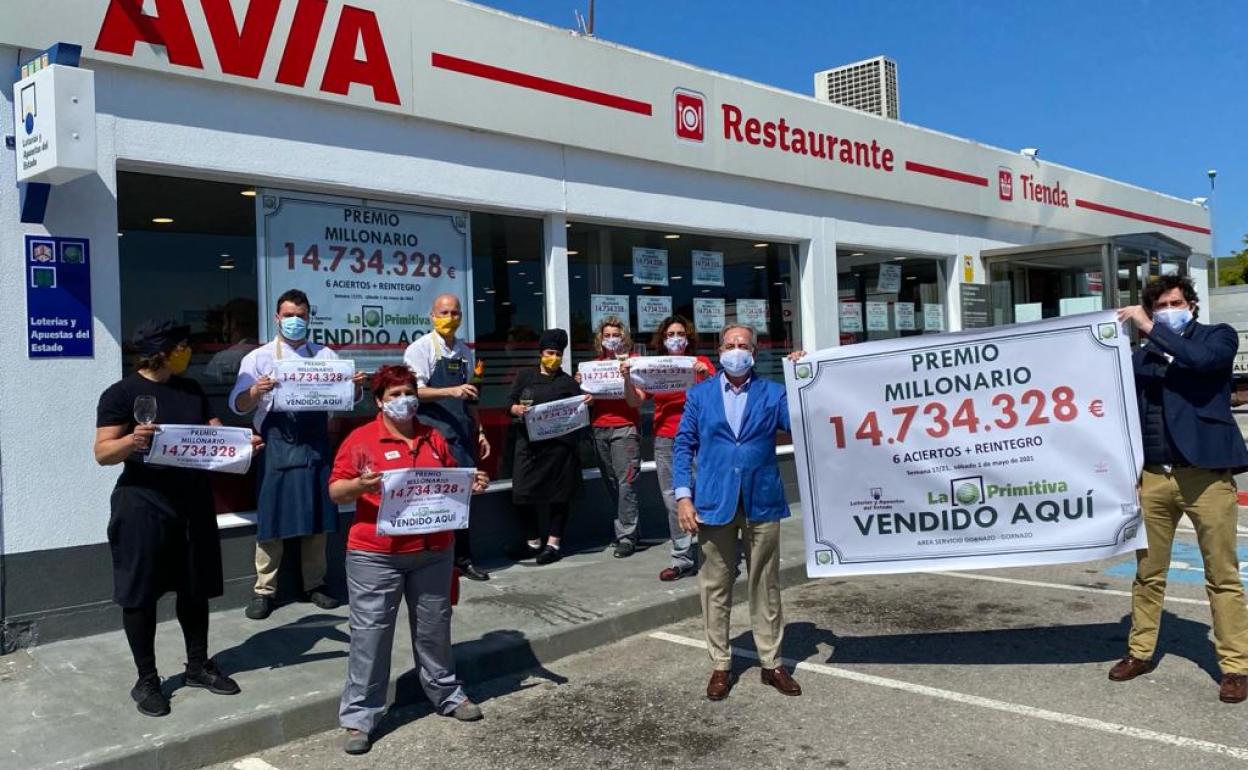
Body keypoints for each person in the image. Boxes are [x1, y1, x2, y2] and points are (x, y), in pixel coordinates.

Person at [94, 320, 260, 717]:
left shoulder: (191, 389)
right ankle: (147, 679)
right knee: (141, 594)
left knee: (194, 587)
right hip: (143, 504)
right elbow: (102, 452)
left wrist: (243, 444)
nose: (188, 350)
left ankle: (197, 665)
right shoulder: (121, 393)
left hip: (192, 501)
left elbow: (213, 435)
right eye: (182, 345)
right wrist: (130, 441)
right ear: (162, 350)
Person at [329, 365, 490, 755]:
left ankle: (447, 694)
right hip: (376, 555)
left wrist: (473, 483)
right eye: (396, 394)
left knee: (435, 627)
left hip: (433, 551)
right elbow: (336, 491)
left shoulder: (433, 437)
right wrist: (359, 485)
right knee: (370, 635)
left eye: (409, 392)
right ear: (380, 401)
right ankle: (359, 717)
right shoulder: (361, 439)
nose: (405, 400)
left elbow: (453, 479)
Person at [1112, 275, 1248, 703]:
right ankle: (1140, 651)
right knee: (1148, 573)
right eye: (1160, 305)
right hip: (1153, 477)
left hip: (1205, 475)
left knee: (1222, 575)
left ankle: (1235, 666)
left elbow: (1201, 362)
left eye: (1175, 302)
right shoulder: (1143, 354)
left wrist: (1152, 328)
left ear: (1190, 303)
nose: (1169, 308)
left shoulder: (1217, 338)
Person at [673, 325, 804, 701]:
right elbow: (683, 445)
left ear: (755, 351)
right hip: (714, 502)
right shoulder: (699, 395)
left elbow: (799, 422)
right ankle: (720, 664)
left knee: (766, 583)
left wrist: (799, 378)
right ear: (719, 350)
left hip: (762, 500)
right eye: (730, 345)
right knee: (716, 585)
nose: (736, 351)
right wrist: (684, 497)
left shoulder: (773, 393)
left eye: (743, 345)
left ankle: (771, 662)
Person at [230, 289, 367, 620]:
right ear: (277, 317)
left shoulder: (325, 355)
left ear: (309, 318)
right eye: (288, 315)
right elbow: (237, 405)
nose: (294, 321)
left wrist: (357, 385)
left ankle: (315, 585)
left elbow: (347, 398)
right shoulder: (258, 358)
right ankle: (264, 590)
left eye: (300, 316)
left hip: (316, 445)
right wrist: (254, 390)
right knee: (272, 519)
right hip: (277, 445)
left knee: (318, 519)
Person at [404, 293, 492, 582]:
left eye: (455, 313)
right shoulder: (420, 349)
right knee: (433, 500)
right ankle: (431, 564)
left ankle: (463, 560)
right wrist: (449, 391)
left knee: (463, 500)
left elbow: (472, 397)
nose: (450, 318)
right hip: (432, 437)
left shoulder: (466, 353)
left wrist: (479, 431)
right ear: (431, 315)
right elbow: (413, 392)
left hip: (463, 435)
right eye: (444, 312)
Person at [508, 329, 591, 564]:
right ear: (541, 353)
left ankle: (554, 544)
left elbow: (581, 412)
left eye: (558, 354)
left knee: (559, 496)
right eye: (549, 352)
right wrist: (516, 410)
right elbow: (510, 403)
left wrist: (586, 401)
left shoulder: (567, 382)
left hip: (560, 449)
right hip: (529, 446)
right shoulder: (525, 376)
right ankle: (532, 541)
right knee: (522, 493)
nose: (553, 357)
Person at [648, 315, 715, 581]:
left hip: (698, 436)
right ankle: (682, 558)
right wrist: (629, 378)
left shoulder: (702, 364)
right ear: (662, 340)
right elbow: (635, 399)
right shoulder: (654, 367)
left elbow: (717, 395)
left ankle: (713, 554)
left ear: (688, 337)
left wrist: (706, 374)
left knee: (701, 492)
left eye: (680, 333)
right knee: (671, 497)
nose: (675, 338)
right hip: (666, 437)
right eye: (670, 334)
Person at [582, 316, 644, 558]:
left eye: (615, 335)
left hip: (625, 428)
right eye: (606, 335)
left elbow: (636, 400)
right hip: (599, 427)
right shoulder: (595, 366)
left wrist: (626, 376)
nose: (611, 339)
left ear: (624, 337)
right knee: (611, 482)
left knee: (626, 482)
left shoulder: (633, 362)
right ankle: (630, 528)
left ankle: (627, 536)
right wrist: (585, 390)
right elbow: (590, 397)